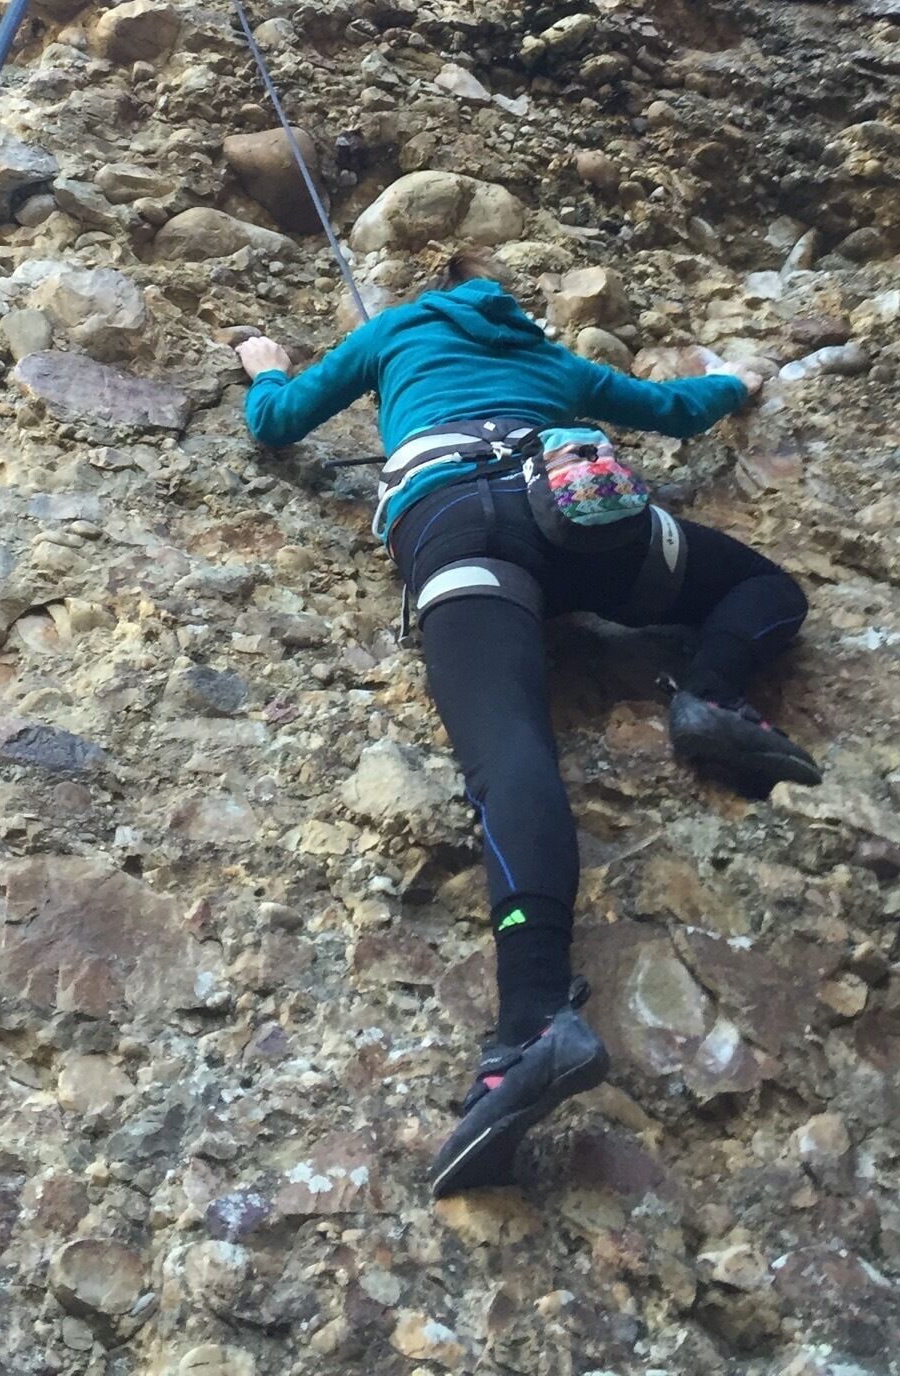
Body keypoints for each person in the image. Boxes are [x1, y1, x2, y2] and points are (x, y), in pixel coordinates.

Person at [238, 264, 820, 1198]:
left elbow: (277, 425)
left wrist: (265, 365)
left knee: (510, 751)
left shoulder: (393, 334)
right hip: (587, 513)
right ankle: (708, 695)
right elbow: (674, 410)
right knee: (767, 590)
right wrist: (739, 383)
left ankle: (536, 1023)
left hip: (459, 522)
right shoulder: (553, 357)